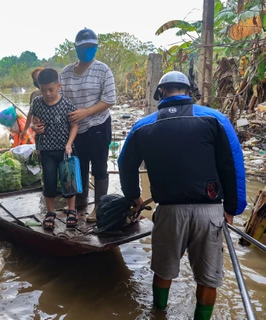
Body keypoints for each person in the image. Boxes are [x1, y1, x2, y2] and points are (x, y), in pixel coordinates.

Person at [118, 71, 246, 319]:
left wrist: (133, 196)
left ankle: (159, 313)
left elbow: (125, 164)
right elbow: (233, 164)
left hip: (167, 211)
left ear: (161, 94)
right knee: (209, 277)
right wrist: (232, 208)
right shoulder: (215, 119)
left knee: (164, 271)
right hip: (209, 211)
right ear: (189, 92)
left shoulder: (143, 126)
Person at [54, 27, 115, 223]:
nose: (87, 49)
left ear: (96, 47)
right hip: (74, 129)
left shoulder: (103, 69)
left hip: (98, 125)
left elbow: (109, 99)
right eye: (83, 47)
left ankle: (100, 207)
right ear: (76, 48)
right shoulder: (66, 72)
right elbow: (59, 99)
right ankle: (79, 204)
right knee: (77, 166)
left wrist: (85, 112)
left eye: (91, 46)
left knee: (99, 167)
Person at [22, 68, 79, 230]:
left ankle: (72, 210)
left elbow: (75, 125)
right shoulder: (37, 103)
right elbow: (34, 121)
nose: (47, 94)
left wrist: (69, 143)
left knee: (69, 182)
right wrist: (34, 127)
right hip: (45, 151)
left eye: (51, 90)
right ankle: (50, 212)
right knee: (49, 182)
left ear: (59, 86)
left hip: (64, 151)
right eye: (43, 90)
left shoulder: (67, 104)